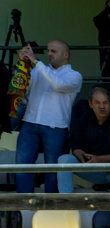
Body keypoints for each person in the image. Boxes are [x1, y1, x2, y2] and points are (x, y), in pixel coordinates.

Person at [14, 41, 83, 194]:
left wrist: (36, 62)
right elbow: (22, 92)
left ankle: (51, 205)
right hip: (29, 123)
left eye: (54, 51)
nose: (49, 54)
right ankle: (24, 204)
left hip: (56, 128)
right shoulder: (37, 71)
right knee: (22, 167)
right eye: (48, 51)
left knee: (53, 171)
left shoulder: (74, 75)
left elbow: (58, 85)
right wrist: (22, 65)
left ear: (66, 54)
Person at [57, 86, 110, 194]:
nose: (102, 106)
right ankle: (66, 199)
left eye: (105, 102)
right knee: (64, 159)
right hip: (94, 171)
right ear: (90, 104)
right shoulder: (83, 120)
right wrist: (83, 157)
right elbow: (76, 147)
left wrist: (99, 159)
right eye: (97, 103)